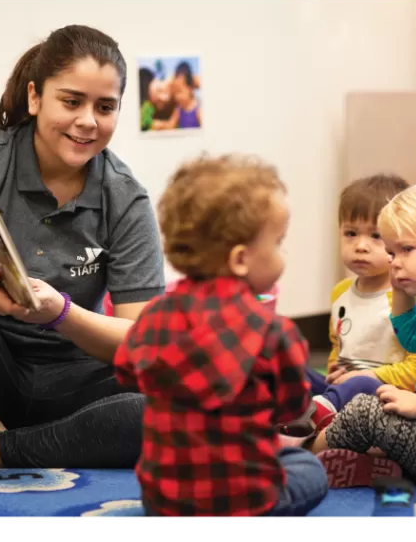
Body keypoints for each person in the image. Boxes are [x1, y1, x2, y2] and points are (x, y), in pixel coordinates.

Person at [0, 25, 165, 508]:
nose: (88, 121)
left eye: (105, 107)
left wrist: (59, 313)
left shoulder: (125, 197)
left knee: (176, 400)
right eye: (71, 102)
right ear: (35, 97)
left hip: (73, 385)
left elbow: (142, 343)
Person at [112, 154, 329, 518]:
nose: (282, 254)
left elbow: (126, 372)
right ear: (241, 259)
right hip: (244, 503)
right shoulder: (273, 332)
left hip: (164, 502)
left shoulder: (155, 316)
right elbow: (292, 408)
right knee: (308, 469)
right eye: (278, 243)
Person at [311, 181, 416, 489]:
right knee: (371, 402)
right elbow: (413, 338)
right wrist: (400, 291)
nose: (393, 262)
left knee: (364, 411)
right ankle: (365, 463)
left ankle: (299, 458)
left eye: (406, 250)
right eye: (390, 252)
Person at [278, 174, 416, 447]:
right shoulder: (341, 292)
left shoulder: (412, 298)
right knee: (294, 371)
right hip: (341, 391)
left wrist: (366, 376)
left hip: (383, 396)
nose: (360, 245)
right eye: (351, 233)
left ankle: (302, 434)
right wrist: (333, 371)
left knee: (358, 386)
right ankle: (294, 421)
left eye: (376, 236)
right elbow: (339, 345)